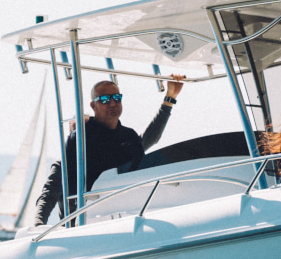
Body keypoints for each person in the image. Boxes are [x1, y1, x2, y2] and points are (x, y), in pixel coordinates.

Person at [37, 74, 186, 222]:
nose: (113, 103)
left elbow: (150, 138)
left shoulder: (127, 137)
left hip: (124, 213)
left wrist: (169, 99)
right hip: (84, 221)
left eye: (116, 98)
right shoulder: (68, 156)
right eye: (105, 99)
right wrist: (38, 225)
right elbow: (49, 195)